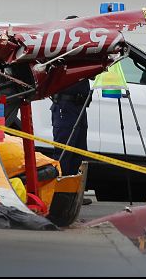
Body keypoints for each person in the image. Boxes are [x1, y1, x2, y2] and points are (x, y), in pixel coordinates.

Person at [50, 16, 91, 181]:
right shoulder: (61, 51)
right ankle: (60, 189)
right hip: (65, 106)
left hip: (80, 107)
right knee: (64, 151)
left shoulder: (83, 51)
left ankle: (73, 190)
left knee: (79, 151)